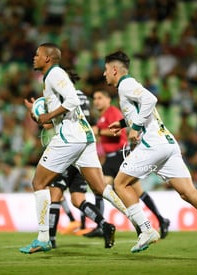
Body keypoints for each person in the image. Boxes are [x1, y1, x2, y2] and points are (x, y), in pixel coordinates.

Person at [103, 50, 197, 261]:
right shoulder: (130, 85)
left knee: (120, 184)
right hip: (167, 143)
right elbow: (144, 109)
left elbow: (150, 99)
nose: (104, 74)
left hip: (153, 144)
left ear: (114, 70)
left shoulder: (125, 85)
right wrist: (123, 123)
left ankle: (147, 229)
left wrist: (135, 127)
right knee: (188, 192)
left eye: (106, 70)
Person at [20, 43, 129, 254]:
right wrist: (37, 114)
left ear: (48, 58)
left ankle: (44, 238)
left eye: (38, 55)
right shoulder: (53, 81)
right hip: (83, 137)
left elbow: (69, 102)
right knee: (99, 188)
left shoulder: (54, 75)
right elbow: (53, 119)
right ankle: (140, 222)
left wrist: (46, 115)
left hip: (70, 139)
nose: (34, 57)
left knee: (40, 183)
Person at [86, 90, 170, 239]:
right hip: (109, 159)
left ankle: (160, 219)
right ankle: (101, 225)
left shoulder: (113, 112)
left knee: (137, 191)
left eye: (100, 98)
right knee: (99, 189)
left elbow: (119, 132)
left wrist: (98, 131)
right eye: (94, 98)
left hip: (120, 156)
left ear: (107, 99)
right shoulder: (102, 116)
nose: (96, 101)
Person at [48, 83, 116, 248]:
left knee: (55, 196)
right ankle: (104, 224)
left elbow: (53, 122)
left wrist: (40, 116)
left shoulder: (63, 97)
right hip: (83, 154)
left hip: (68, 152)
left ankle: (50, 240)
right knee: (78, 200)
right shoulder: (83, 102)